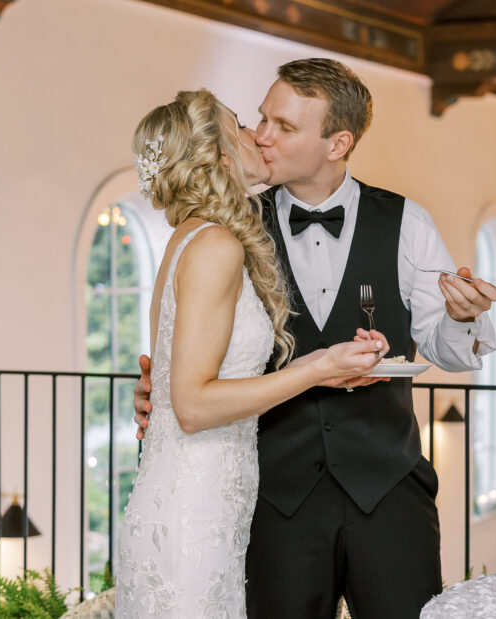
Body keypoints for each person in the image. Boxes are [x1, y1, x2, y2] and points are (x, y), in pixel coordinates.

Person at [133, 59, 496, 618]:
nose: (262, 135)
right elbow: (193, 358)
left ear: (337, 143)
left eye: (284, 126)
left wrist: (464, 317)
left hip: (388, 490)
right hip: (274, 499)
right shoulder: (231, 225)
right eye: (261, 119)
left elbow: (448, 350)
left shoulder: (407, 222)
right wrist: (156, 389)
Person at [113, 88, 389, 618]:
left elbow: (180, 383)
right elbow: (193, 406)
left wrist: (324, 371)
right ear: (219, 156)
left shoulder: (189, 238)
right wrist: (315, 368)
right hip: (194, 507)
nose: (256, 136)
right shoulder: (216, 245)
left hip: (203, 499)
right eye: (240, 124)